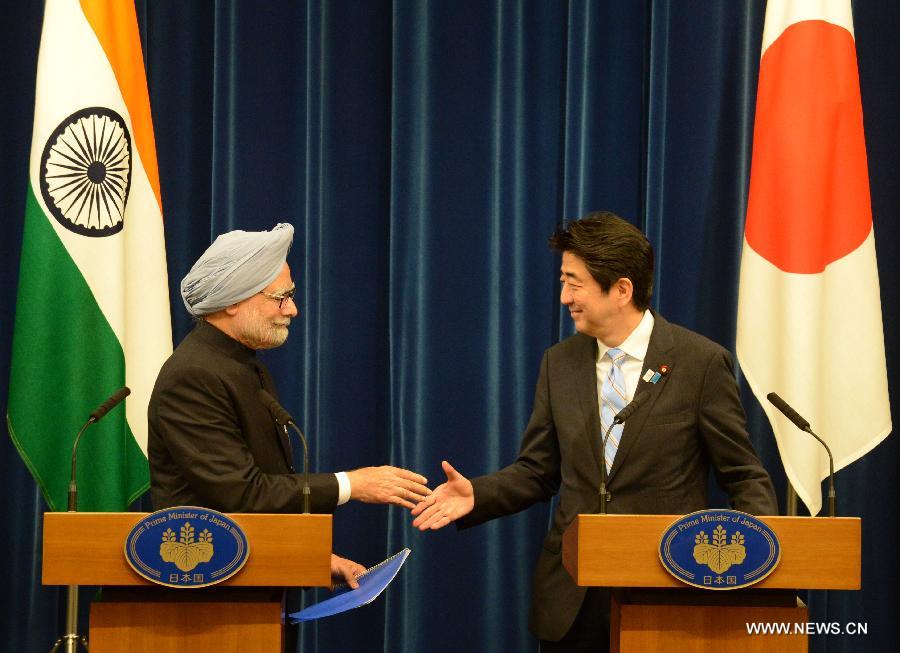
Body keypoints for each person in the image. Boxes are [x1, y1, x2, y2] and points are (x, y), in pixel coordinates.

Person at [411, 211, 778, 651]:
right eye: (564, 281)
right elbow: (538, 471)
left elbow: (743, 475)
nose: (564, 296)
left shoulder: (699, 363)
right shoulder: (559, 363)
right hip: (573, 596)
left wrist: (757, 557)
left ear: (622, 289)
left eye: (574, 282)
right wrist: (479, 494)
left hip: (667, 593)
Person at [149, 222, 430, 588]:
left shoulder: (243, 366)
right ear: (233, 301)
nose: (293, 309)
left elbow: (255, 501)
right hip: (205, 597)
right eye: (280, 297)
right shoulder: (194, 376)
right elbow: (244, 495)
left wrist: (313, 557)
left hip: (246, 584)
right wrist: (352, 484)